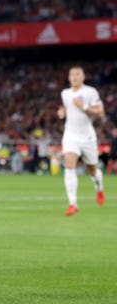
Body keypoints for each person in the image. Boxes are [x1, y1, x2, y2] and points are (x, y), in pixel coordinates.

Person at [56, 65, 106, 216]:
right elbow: (66, 107)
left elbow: (100, 112)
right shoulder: (65, 93)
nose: (75, 77)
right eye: (72, 74)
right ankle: (73, 203)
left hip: (87, 137)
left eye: (78, 74)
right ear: (69, 77)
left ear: (83, 77)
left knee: (92, 169)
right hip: (70, 135)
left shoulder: (90, 92)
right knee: (69, 166)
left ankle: (99, 187)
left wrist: (83, 106)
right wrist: (62, 112)